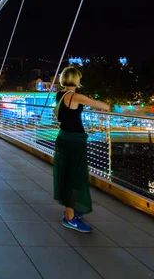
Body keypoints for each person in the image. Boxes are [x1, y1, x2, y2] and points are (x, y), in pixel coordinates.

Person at [54, 66, 109, 233]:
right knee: (73, 176)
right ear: (76, 79)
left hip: (64, 137)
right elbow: (102, 106)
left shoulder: (60, 95)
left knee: (69, 174)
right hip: (74, 140)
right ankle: (69, 217)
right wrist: (108, 104)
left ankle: (71, 211)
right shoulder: (76, 96)